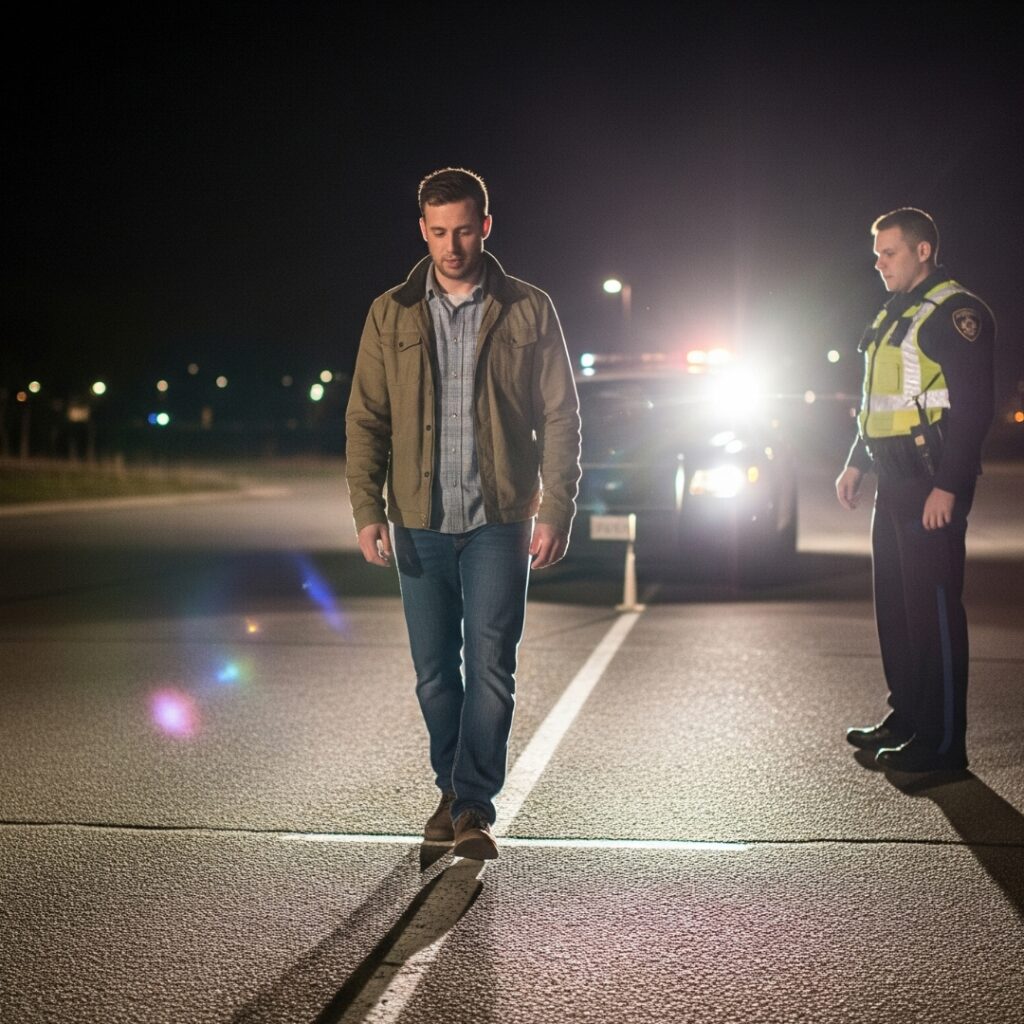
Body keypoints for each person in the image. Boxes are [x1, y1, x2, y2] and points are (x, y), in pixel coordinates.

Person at [345, 167, 581, 857]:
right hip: (418, 520)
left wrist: (557, 507)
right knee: (432, 672)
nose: (452, 246)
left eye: (465, 230)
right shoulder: (390, 312)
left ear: (486, 224)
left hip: (499, 520)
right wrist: (367, 508)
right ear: (423, 229)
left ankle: (473, 804)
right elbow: (366, 419)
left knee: (491, 668)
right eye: (439, 232)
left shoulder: (530, 308)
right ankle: (450, 789)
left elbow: (561, 416)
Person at [837, 207, 995, 772]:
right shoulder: (892, 314)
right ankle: (909, 715)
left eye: (889, 253)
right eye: (877, 254)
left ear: (923, 251)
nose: (878, 263)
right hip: (894, 479)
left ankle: (944, 744)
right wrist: (857, 461)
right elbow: (876, 401)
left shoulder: (956, 312)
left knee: (933, 611)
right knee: (898, 610)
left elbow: (975, 408)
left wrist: (949, 487)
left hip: (931, 483)